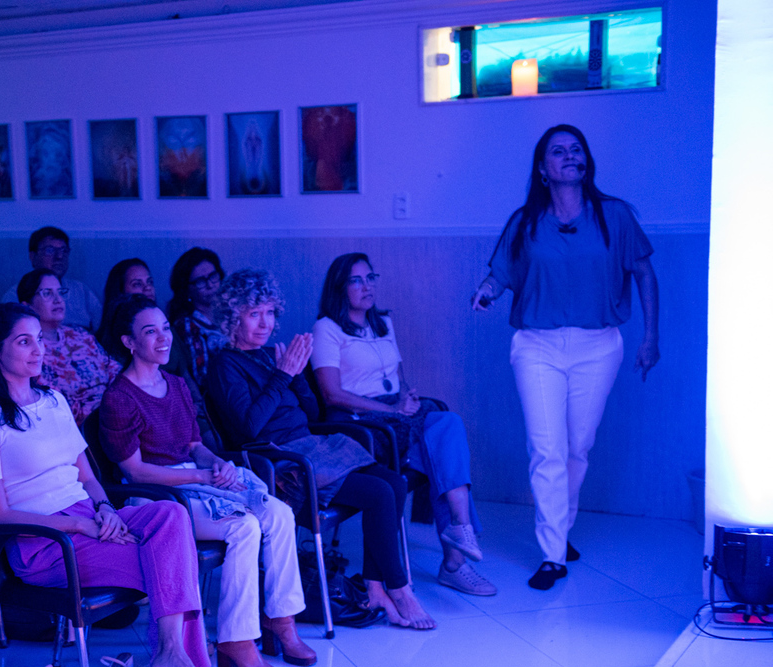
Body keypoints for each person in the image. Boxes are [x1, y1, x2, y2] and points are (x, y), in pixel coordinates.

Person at [0, 303, 225, 667]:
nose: (36, 349)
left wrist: (103, 510)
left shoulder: (54, 401)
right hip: (43, 542)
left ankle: (171, 653)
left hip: (88, 519)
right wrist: (79, 526)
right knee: (174, 567)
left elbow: (87, 476)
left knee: (171, 514)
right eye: (23, 341)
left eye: (39, 340)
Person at [472, 124, 660, 591]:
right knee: (547, 449)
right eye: (559, 151)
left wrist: (650, 336)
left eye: (577, 150)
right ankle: (552, 553)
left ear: (586, 162)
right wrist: (486, 292)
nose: (570, 156)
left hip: (599, 347)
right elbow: (501, 274)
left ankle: (562, 527)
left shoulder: (614, 216)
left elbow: (644, 274)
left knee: (578, 446)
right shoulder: (525, 222)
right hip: (537, 347)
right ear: (543, 168)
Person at [101, 295, 313, 667]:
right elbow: (133, 470)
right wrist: (200, 478)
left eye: (165, 328)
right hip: (156, 498)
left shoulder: (177, 384)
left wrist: (215, 464)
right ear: (129, 342)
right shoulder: (119, 397)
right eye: (150, 332)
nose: (163, 338)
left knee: (280, 513)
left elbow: (194, 446)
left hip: (192, 481)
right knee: (244, 527)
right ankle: (238, 641)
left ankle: (282, 621)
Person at [207, 270, 435, 629]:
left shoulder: (270, 356)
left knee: (395, 482)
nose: (265, 323)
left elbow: (311, 415)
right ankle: (400, 588)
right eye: (254, 314)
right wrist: (283, 375)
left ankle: (375, 587)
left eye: (269, 312)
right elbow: (246, 429)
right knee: (377, 493)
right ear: (233, 317)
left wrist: (296, 377)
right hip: (280, 463)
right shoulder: (224, 364)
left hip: (312, 447)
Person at [313, 254, 496, 597]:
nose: (367, 286)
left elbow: (394, 376)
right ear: (340, 288)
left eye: (371, 277)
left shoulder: (383, 322)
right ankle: (455, 561)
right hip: (361, 424)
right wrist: (395, 411)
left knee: (447, 423)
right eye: (356, 280)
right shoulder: (327, 328)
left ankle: (460, 528)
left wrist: (406, 401)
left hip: (395, 414)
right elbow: (332, 394)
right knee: (437, 453)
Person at [19, 268, 119, 424]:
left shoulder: (80, 334)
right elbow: (51, 403)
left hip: (116, 412)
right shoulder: (28, 350)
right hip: (75, 427)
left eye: (60, 292)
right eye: (47, 293)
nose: (58, 299)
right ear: (27, 306)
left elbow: (114, 369)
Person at [2, 227, 102, 331]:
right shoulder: (14, 295)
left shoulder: (81, 290)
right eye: (50, 250)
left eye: (64, 250)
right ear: (33, 256)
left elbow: (102, 328)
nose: (59, 256)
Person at [167, 247, 228, 388]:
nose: (210, 285)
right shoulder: (187, 326)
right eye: (201, 281)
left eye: (213, 276)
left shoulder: (231, 315)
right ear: (187, 289)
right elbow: (202, 376)